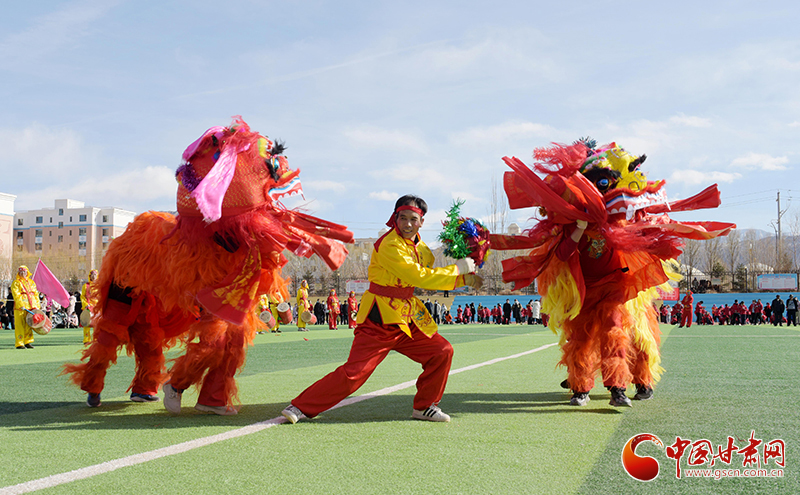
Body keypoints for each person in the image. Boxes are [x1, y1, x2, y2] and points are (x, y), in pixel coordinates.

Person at [281, 194, 482, 424]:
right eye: (403, 218)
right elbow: (418, 276)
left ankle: (425, 406)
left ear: (421, 222)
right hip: (379, 319)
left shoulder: (422, 248)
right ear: (394, 218)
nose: (407, 224)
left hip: (407, 319)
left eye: (413, 219)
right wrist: (456, 270)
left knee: (442, 351)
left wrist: (463, 276)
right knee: (354, 374)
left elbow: (429, 276)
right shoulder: (389, 245)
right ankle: (300, 406)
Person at [11, 265, 40, 349]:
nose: (22, 273)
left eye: (24, 271)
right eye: (20, 272)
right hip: (20, 308)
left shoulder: (31, 282)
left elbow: (35, 295)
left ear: (27, 272)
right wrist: (21, 305)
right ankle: (19, 343)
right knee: (20, 324)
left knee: (29, 324)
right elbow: (16, 295)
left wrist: (37, 306)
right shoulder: (16, 282)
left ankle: (28, 341)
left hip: (31, 307)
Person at [80, 270, 99, 345]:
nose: (94, 276)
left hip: (97, 308)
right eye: (92, 275)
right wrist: (86, 305)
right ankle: (86, 340)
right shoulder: (86, 286)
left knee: (96, 324)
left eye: (95, 275)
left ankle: (96, 339)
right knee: (87, 324)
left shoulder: (99, 286)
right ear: (90, 276)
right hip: (88, 307)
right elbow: (83, 296)